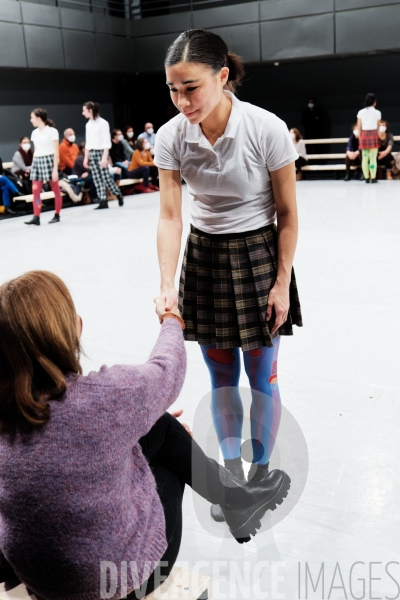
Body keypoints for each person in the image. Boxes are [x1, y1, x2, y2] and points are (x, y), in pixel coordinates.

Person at [0, 270, 290, 599]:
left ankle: (235, 500)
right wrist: (171, 318)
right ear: (73, 328)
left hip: (38, 578)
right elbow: (167, 368)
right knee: (167, 457)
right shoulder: (104, 397)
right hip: (116, 583)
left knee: (159, 425)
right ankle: (237, 501)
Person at [154, 29, 302, 523]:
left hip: (259, 256)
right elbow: (171, 216)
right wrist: (166, 282)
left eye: (190, 87)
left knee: (262, 378)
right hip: (206, 264)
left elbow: (288, 213)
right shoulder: (172, 136)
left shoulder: (267, 129)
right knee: (221, 379)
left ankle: (261, 475)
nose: (181, 101)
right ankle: (234, 477)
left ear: (221, 76)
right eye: (173, 89)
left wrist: (281, 282)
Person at [82, 101, 124, 210]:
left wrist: (105, 157)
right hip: (92, 152)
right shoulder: (88, 124)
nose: (83, 113)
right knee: (97, 178)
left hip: (101, 152)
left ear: (90, 110)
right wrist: (86, 157)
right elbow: (88, 142)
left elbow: (106, 142)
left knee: (106, 177)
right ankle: (103, 200)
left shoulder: (103, 123)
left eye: (84, 110)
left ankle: (117, 193)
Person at [24, 108, 62, 226]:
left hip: (49, 160)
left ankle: (57, 214)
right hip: (38, 161)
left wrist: (55, 169)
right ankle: (36, 216)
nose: (31, 120)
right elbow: (35, 150)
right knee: (35, 190)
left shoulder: (52, 131)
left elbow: (56, 151)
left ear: (38, 118)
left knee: (55, 189)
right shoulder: (34, 133)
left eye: (32, 117)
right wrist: (33, 165)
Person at [356, 93, 381, 184]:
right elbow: (378, 126)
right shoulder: (377, 112)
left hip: (364, 134)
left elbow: (359, 126)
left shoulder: (360, 112)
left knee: (365, 158)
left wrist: (360, 137)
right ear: (374, 102)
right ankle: (373, 178)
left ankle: (366, 177)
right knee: (373, 158)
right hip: (374, 133)